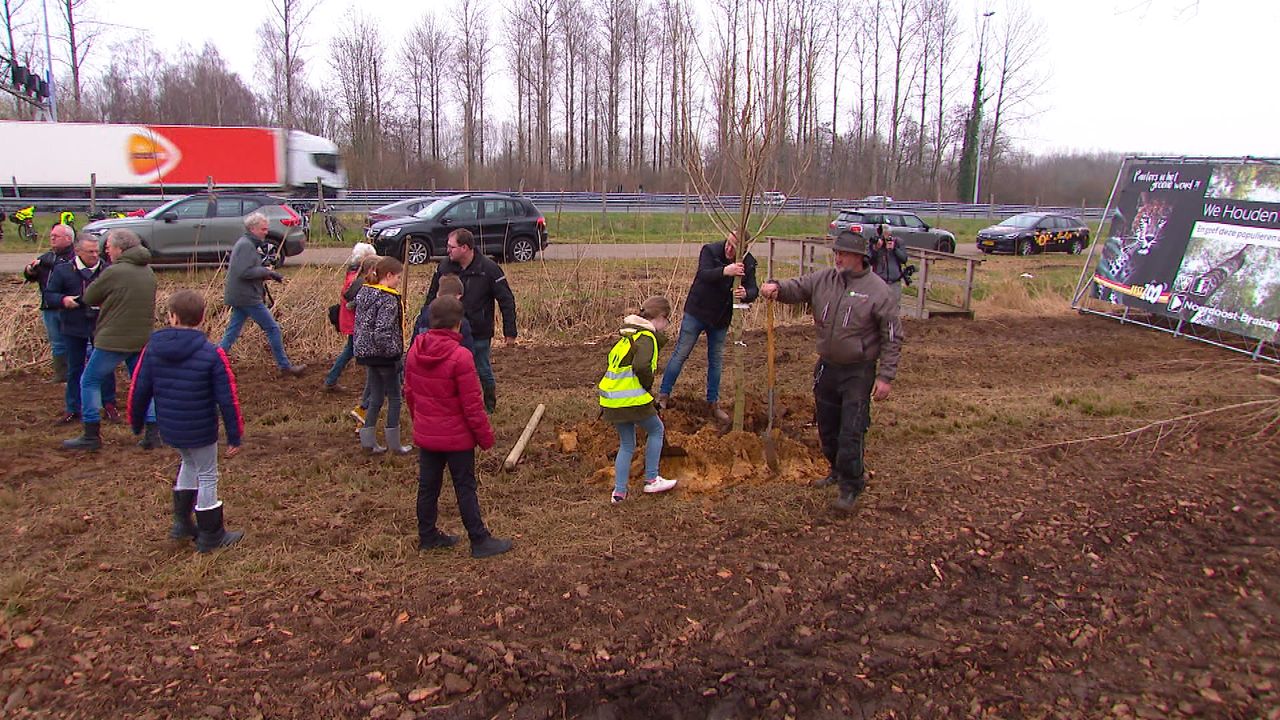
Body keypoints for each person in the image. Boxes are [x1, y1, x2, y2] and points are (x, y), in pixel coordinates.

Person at [760, 231, 903, 512]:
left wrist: (885, 377)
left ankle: (852, 484)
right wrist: (777, 287)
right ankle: (836, 471)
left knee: (851, 429)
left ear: (860, 258)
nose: (837, 258)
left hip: (857, 371)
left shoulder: (878, 292)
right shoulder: (825, 279)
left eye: (844, 254)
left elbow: (892, 336)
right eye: (836, 253)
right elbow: (798, 287)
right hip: (827, 366)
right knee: (827, 427)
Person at [128, 290, 245, 552]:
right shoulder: (211, 353)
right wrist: (234, 435)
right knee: (207, 473)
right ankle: (210, 534)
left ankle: (182, 522)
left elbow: (139, 389)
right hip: (201, 427)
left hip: (171, 426)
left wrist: (136, 422)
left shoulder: (152, 349)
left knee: (189, 463)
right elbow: (228, 398)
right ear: (202, 318)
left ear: (171, 316)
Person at [404, 295, 513, 559]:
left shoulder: (415, 349)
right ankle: (479, 540)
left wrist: (419, 421)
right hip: (457, 438)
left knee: (428, 486)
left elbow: (409, 392)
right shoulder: (461, 356)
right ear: (457, 324)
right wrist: (485, 438)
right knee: (465, 487)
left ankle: (427, 535)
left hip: (428, 435)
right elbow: (473, 406)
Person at [62, 230, 158, 452]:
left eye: (109, 247)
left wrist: (77, 301)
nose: (106, 251)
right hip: (141, 336)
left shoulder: (114, 272)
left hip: (114, 337)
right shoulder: (148, 272)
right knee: (142, 384)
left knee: (89, 380)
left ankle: (91, 434)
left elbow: (91, 296)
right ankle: (153, 432)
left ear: (120, 249)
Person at [657, 230, 758, 428]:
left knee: (716, 361)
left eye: (734, 247)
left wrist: (746, 293)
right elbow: (703, 274)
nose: (728, 248)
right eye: (728, 243)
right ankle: (663, 395)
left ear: (743, 250)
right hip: (697, 312)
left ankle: (713, 403)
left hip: (720, 319)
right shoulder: (710, 251)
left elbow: (754, 289)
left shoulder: (749, 262)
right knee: (680, 353)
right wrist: (725, 271)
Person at [418, 228, 517, 414]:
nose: (447, 250)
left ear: (465, 248)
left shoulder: (488, 269)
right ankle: (458, 405)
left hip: (479, 331)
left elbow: (506, 299)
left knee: (482, 369)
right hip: (449, 332)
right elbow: (432, 297)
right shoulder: (445, 267)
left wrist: (510, 331)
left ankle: (489, 406)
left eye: (451, 247)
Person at [598, 296, 678, 504]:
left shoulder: (627, 337)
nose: (665, 327)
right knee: (656, 430)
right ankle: (652, 479)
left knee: (627, 444)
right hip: (632, 399)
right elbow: (642, 366)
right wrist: (647, 387)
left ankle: (619, 493)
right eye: (666, 321)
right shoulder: (647, 338)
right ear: (660, 318)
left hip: (612, 401)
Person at [218, 212, 306, 377]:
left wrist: (268, 275)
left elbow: (245, 271)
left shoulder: (246, 243)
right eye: (263, 229)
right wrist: (267, 272)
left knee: (232, 332)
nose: (266, 232)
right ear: (252, 229)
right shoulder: (246, 245)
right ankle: (285, 367)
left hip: (240, 294)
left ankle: (214, 361)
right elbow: (244, 271)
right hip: (247, 296)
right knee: (273, 329)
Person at [44, 234, 118, 424]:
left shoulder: (108, 270)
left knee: (105, 367)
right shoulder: (62, 271)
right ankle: (73, 408)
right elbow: (49, 295)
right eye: (90, 251)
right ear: (77, 251)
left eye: (97, 251)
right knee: (74, 368)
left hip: (101, 326)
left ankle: (109, 404)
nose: (95, 255)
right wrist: (63, 300)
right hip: (73, 324)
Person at [354, 256, 411, 454]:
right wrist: (394, 355)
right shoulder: (388, 299)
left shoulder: (365, 293)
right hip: (385, 356)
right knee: (395, 398)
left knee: (376, 397)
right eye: (397, 277)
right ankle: (394, 445)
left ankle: (368, 442)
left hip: (367, 354)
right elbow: (383, 332)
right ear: (388, 275)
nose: (398, 281)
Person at [22, 223, 76, 383]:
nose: (52, 239)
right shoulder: (47, 257)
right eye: (51, 236)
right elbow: (31, 276)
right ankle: (61, 376)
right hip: (49, 307)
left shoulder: (76, 257)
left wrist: (46, 265)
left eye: (56, 236)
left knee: (75, 342)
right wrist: (30, 270)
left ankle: (76, 374)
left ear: (68, 238)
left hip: (68, 307)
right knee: (57, 343)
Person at [323, 242, 378, 392]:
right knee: (364, 351)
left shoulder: (353, 273)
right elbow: (355, 300)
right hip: (355, 320)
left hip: (353, 319)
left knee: (352, 350)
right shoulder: (357, 278)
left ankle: (331, 380)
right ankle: (373, 386)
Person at [413, 274, 474, 352]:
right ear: (459, 296)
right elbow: (468, 350)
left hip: (423, 361)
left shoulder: (424, 315)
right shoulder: (460, 321)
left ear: (438, 294)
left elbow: (415, 344)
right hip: (453, 361)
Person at [869, 224, 910, 303]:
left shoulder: (897, 242)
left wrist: (894, 249)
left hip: (894, 282)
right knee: (878, 306)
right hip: (879, 282)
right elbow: (869, 261)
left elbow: (904, 259)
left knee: (894, 307)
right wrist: (875, 249)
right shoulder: (875, 244)